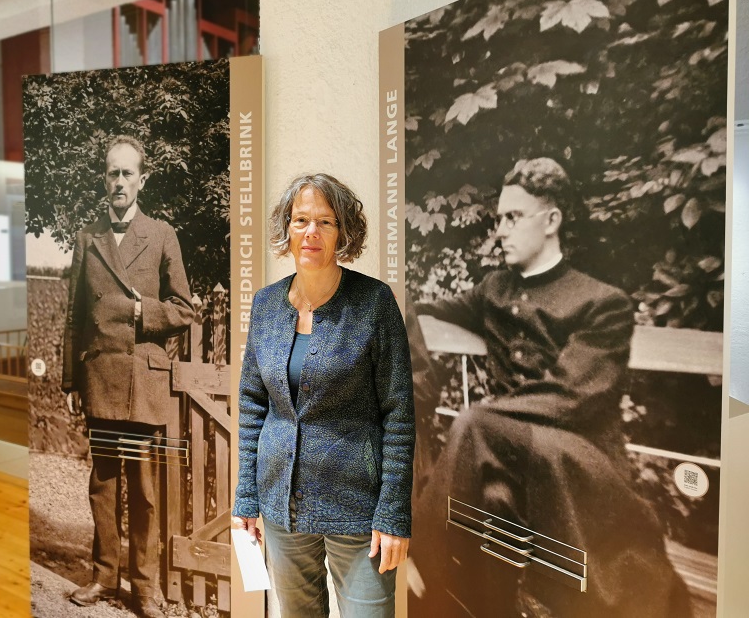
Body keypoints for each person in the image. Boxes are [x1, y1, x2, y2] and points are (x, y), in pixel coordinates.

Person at [408, 158, 691, 617]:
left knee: (473, 423)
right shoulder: (494, 290)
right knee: (495, 498)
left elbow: (570, 398)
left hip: (576, 459)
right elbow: (423, 309)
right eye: (499, 219)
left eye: (513, 217)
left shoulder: (602, 302)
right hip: (505, 458)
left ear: (551, 220)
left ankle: (416, 564)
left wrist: (489, 420)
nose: (500, 231)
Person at [231, 173, 415, 618]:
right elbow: (253, 406)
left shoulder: (374, 303)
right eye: (300, 220)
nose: (310, 232)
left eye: (325, 222)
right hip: (281, 509)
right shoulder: (266, 304)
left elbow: (399, 414)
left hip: (358, 510)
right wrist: (247, 497)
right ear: (287, 227)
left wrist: (393, 514)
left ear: (342, 232)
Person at [62, 134, 194, 618]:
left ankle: (143, 587)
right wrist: (70, 381)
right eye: (112, 173)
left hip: (142, 381)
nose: (119, 182)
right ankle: (103, 575)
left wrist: (143, 312)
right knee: (102, 484)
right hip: (100, 377)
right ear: (105, 178)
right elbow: (75, 317)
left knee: (143, 491)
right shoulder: (88, 237)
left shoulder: (160, 234)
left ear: (143, 179)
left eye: (127, 173)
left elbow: (184, 309)